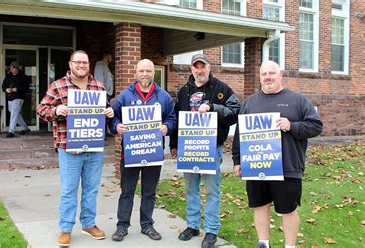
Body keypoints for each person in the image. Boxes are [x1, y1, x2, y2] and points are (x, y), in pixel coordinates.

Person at [232, 60, 323, 248]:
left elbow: (316, 126)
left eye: (272, 73)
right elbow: (239, 135)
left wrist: (292, 126)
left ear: (280, 75)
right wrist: (237, 160)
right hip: (257, 165)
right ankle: (263, 243)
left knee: (288, 209)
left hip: (287, 168)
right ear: (260, 77)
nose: (268, 77)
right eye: (264, 74)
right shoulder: (249, 103)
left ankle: (290, 246)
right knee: (259, 205)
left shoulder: (297, 100)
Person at [36, 50, 114, 247]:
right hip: (68, 148)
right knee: (69, 190)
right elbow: (41, 109)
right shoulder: (58, 86)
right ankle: (65, 229)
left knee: (91, 189)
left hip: (94, 147)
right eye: (77, 62)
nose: (81, 66)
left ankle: (88, 224)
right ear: (71, 64)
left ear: (89, 65)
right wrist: (55, 110)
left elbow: (104, 111)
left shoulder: (98, 86)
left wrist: (109, 111)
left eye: (85, 63)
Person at [169, 54, 240, 248]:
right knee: (191, 189)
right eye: (196, 67)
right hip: (189, 149)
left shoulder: (221, 89)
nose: (199, 70)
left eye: (203, 66)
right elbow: (177, 118)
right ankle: (192, 226)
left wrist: (213, 108)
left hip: (211, 149)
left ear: (209, 68)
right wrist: (174, 144)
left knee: (211, 191)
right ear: (191, 69)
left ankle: (211, 230)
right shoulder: (184, 91)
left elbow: (235, 112)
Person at [110, 59, 176, 242]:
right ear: (136, 72)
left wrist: (167, 127)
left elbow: (172, 118)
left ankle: (147, 225)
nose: (145, 74)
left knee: (149, 192)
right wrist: (117, 127)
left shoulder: (163, 96)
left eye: (148, 71)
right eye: (142, 71)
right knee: (127, 191)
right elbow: (112, 118)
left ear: (153, 73)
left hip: (153, 153)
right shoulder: (125, 96)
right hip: (130, 153)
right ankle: (122, 226)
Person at [1, 61, 31, 138]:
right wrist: (6, 89)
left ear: (17, 68)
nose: (12, 69)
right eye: (11, 68)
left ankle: (11, 131)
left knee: (14, 113)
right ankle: (25, 128)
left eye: (13, 68)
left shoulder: (23, 76)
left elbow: (25, 87)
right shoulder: (8, 76)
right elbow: (3, 85)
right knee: (15, 113)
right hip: (10, 97)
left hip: (18, 97)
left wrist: (17, 89)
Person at [94, 53, 115, 138]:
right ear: (106, 56)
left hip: (108, 93)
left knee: (107, 113)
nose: (112, 58)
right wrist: (103, 93)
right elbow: (99, 81)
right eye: (110, 56)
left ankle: (105, 132)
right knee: (102, 113)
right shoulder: (100, 65)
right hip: (103, 93)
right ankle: (102, 134)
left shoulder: (106, 66)